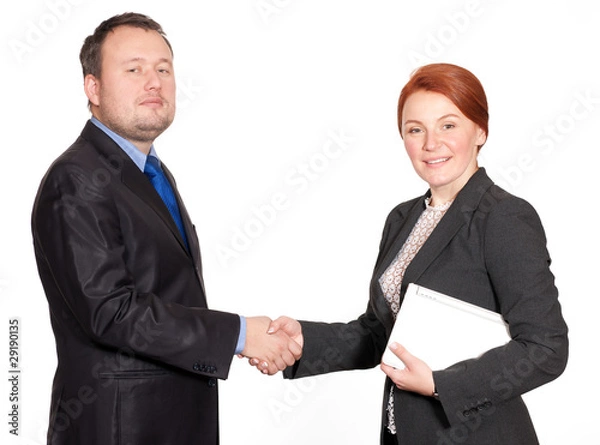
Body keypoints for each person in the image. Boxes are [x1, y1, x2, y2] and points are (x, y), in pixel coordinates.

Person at [256, 63, 569, 444]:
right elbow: (378, 334)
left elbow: (546, 347)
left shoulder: (502, 217)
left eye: (448, 125)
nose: (430, 143)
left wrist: (440, 384)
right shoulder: (402, 218)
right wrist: (305, 341)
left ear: (481, 131)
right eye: (415, 129)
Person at [31, 12, 301, 445]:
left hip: (170, 422)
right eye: (134, 69)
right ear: (93, 87)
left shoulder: (151, 173)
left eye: (163, 69)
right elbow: (110, 311)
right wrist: (239, 334)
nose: (153, 82)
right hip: (119, 428)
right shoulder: (76, 179)